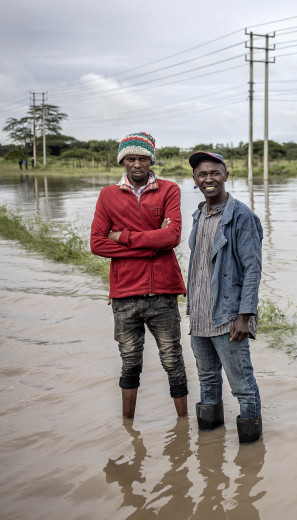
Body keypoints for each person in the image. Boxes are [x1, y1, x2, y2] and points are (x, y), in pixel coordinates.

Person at [90, 132, 188, 420]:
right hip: (125, 295)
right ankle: (127, 427)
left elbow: (172, 236)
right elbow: (97, 243)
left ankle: (182, 425)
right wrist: (149, 247)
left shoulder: (170, 190)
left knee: (173, 361)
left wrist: (123, 237)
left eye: (142, 158)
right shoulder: (107, 196)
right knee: (130, 363)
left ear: (151, 160)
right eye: (130, 158)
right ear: (123, 161)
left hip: (163, 291)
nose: (136, 164)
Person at [187, 150, 263, 444]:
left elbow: (252, 269)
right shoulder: (199, 214)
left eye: (215, 173)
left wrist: (245, 316)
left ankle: (251, 451)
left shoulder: (241, 216)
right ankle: (209, 446)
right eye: (202, 174)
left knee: (242, 385)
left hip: (229, 317)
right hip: (201, 316)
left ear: (226, 176)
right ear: (195, 179)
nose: (209, 178)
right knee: (207, 381)